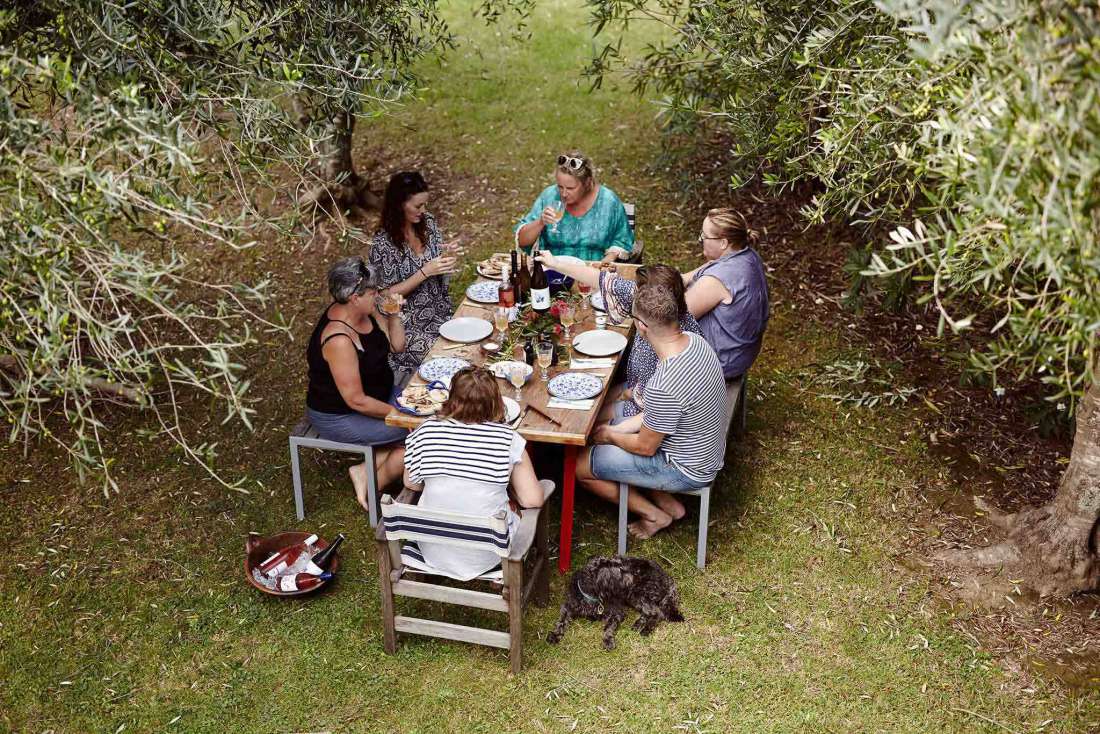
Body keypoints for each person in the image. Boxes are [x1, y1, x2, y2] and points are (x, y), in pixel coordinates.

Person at [576, 284, 728, 539]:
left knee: (579, 466)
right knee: (613, 421)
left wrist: (609, 436)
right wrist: (616, 427)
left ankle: (654, 515)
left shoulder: (663, 385)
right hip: (703, 445)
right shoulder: (696, 342)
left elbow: (645, 447)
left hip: (687, 467)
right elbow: (662, 415)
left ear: (642, 326)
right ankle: (671, 505)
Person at [402, 367, 553, 580]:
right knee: (514, 508)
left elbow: (411, 483)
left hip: (432, 548)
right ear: (496, 403)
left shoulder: (426, 430)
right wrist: (510, 493)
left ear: (451, 398)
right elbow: (533, 499)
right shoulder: (507, 439)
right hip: (489, 554)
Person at [534, 252, 701, 420]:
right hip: (635, 389)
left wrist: (617, 408)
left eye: (636, 289)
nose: (631, 291)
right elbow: (601, 279)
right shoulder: (660, 306)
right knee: (592, 402)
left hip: (645, 414)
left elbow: (652, 411)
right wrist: (555, 264)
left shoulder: (665, 347)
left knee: (584, 417)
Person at [305, 257, 409, 512]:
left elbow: (397, 346)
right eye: (373, 292)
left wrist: (394, 315)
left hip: (381, 396)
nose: (378, 295)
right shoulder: (338, 339)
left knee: (432, 413)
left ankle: (367, 464)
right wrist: (401, 417)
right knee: (421, 431)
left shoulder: (366, 311)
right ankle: (374, 479)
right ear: (354, 297)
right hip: (341, 415)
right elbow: (356, 400)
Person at [368, 171, 458, 381]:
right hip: (406, 326)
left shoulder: (428, 223)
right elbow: (382, 296)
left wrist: (447, 255)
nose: (423, 211)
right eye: (418, 206)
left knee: (473, 347)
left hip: (440, 314)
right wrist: (424, 272)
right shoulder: (383, 244)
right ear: (399, 204)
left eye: (425, 204)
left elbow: (435, 263)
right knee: (450, 361)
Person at [682, 208, 769, 380]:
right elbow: (687, 278)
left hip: (719, 363)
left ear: (723, 243)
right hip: (741, 354)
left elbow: (672, 316)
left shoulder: (718, 280)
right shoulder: (746, 255)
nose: (701, 240)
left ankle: (640, 394)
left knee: (652, 333)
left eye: (704, 236)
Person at [515, 151, 634, 263]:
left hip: (593, 271)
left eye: (571, 188)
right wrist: (540, 222)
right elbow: (522, 240)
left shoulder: (608, 201)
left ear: (587, 182)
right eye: (560, 187)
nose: (564, 194)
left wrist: (604, 265)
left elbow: (622, 240)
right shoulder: (549, 196)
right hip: (553, 271)